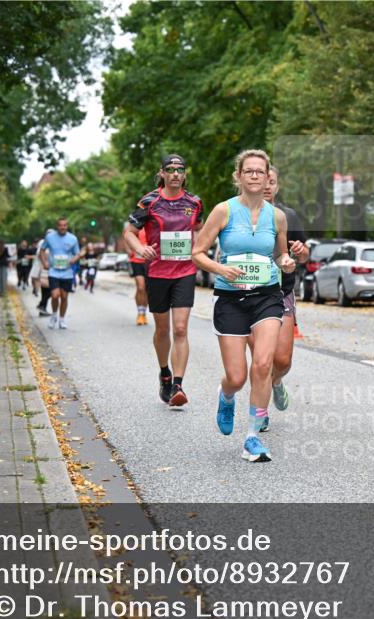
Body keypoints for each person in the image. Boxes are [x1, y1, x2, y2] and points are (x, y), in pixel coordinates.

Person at [191, 149, 295, 462]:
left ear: (267, 178)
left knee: (263, 365)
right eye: (247, 171)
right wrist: (221, 270)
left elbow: (279, 254)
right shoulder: (223, 211)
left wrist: (286, 261)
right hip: (230, 299)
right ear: (239, 176)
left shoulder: (277, 216)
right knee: (237, 376)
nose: (253, 176)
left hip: (267, 296)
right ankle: (226, 396)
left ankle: (252, 436)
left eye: (259, 171)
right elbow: (198, 252)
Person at [123, 154, 205, 406]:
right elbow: (129, 232)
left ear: (185, 174)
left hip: (185, 272)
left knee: (180, 328)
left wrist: (199, 249)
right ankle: (165, 373)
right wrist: (139, 248)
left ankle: (178, 386)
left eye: (180, 170)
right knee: (162, 329)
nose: (176, 174)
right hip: (157, 273)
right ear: (162, 173)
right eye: (170, 170)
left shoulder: (195, 202)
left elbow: (200, 229)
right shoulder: (149, 201)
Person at [250, 166, 310, 432]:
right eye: (263, 179)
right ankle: (260, 414)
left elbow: (305, 255)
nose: (266, 185)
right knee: (261, 360)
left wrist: (300, 251)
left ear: (277, 186)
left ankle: (276, 382)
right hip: (249, 293)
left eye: (271, 181)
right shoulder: (240, 215)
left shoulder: (289, 216)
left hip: (281, 291)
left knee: (282, 360)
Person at [40, 217, 79, 329]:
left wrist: (74, 259)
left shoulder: (73, 239)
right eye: (60, 225)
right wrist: (44, 262)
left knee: (64, 297)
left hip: (67, 272)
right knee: (55, 295)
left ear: (67, 226)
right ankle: (53, 316)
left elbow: (77, 253)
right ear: (57, 226)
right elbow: (42, 250)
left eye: (65, 225)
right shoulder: (50, 237)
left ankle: (62, 319)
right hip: (54, 272)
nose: (63, 227)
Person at [129, 227, 150, 325]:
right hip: (137, 260)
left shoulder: (154, 223)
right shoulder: (137, 224)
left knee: (146, 289)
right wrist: (128, 250)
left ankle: (143, 313)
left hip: (149, 261)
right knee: (141, 287)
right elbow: (126, 235)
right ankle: (140, 313)